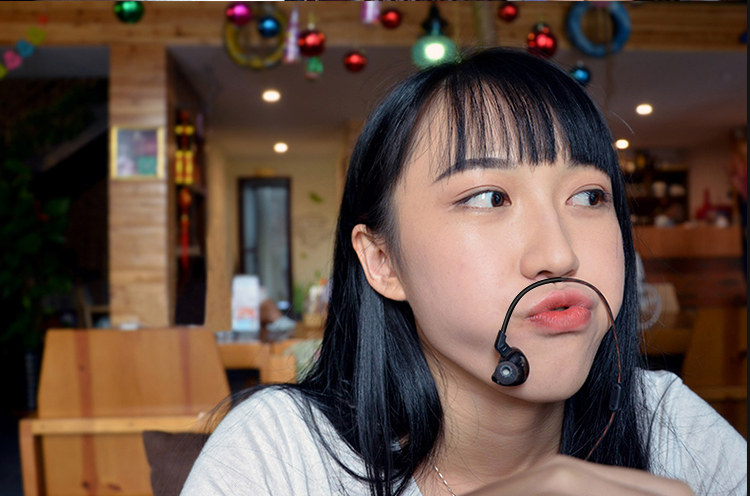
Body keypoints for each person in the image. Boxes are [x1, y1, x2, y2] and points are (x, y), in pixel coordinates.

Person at [181, 48, 746, 496]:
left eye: (589, 196)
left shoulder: (667, 425)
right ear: (382, 260)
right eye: (489, 197)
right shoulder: (281, 453)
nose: (559, 254)